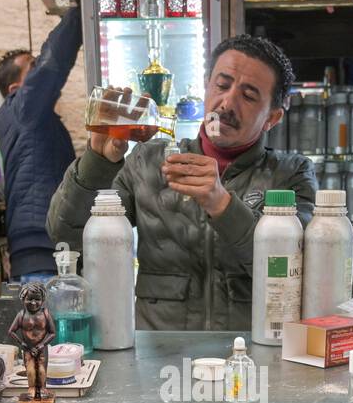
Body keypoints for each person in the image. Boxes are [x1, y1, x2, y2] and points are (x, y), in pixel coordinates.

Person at [47, 34, 316, 331]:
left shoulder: (291, 174)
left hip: (250, 350)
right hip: (158, 353)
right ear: (206, 86)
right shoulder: (148, 160)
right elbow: (66, 238)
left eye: (249, 96)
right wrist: (98, 160)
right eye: (222, 85)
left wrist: (223, 205)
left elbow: (298, 271)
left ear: (272, 118)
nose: (227, 102)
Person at [0, 6, 83, 282]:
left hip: (44, 246)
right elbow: (51, 65)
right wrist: (80, 13)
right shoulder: (21, 109)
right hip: (40, 249)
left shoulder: (32, 119)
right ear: (15, 89)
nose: (36, 70)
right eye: (30, 67)